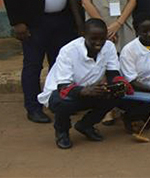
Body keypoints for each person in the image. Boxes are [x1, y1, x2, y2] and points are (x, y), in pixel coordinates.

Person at [3, 0, 77, 123]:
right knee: (33, 65)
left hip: (61, 21)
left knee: (60, 64)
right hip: (34, 23)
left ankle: (59, 102)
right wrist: (17, 22)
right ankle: (33, 107)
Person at [39, 19, 124, 149]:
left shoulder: (109, 47)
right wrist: (85, 91)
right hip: (61, 93)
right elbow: (63, 87)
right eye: (93, 39)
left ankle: (86, 125)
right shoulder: (68, 51)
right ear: (83, 35)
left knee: (115, 95)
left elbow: (113, 73)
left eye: (102, 39)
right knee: (62, 102)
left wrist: (118, 85)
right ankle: (62, 132)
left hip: (90, 90)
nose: (98, 43)